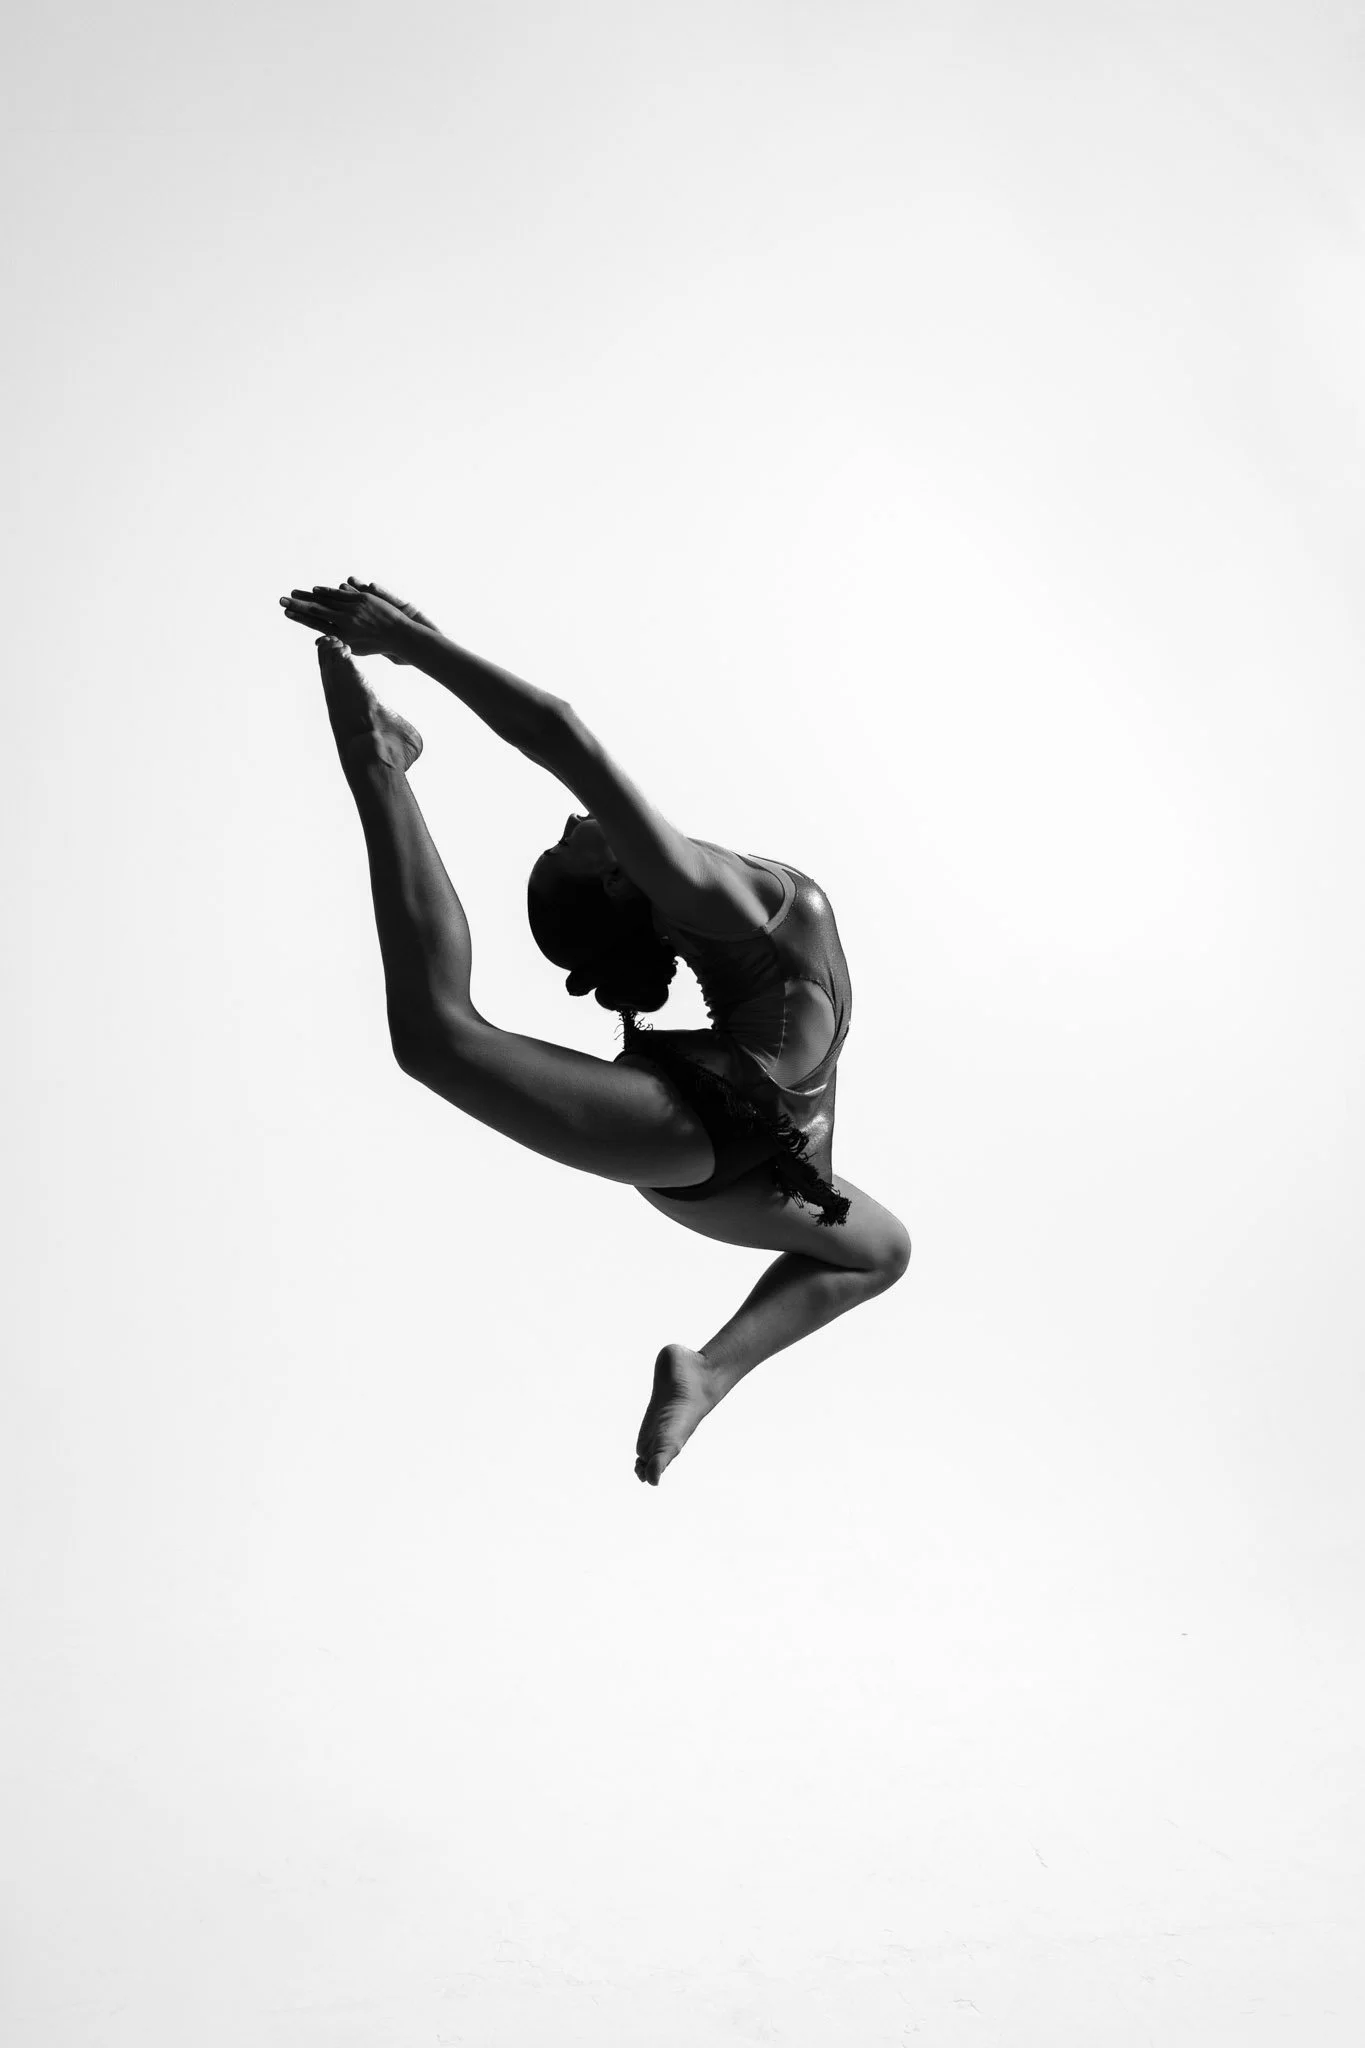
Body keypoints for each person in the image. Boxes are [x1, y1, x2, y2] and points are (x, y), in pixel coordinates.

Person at [278, 577, 911, 1483]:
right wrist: (413, 644)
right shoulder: (709, 894)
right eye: (571, 846)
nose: (579, 821)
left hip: (731, 1152)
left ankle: (709, 1372)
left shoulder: (716, 899)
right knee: (436, 1039)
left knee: (882, 1250)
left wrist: (418, 642)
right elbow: (560, 735)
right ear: (619, 885)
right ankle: (375, 759)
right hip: (730, 1138)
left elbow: (565, 746)